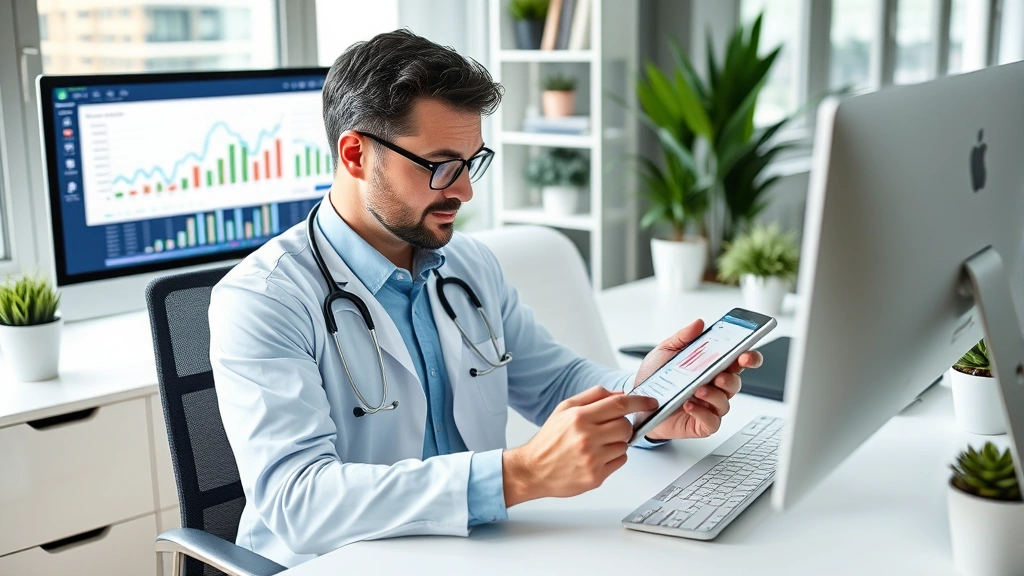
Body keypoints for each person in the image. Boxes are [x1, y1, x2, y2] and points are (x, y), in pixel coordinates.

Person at [210, 29, 762, 568]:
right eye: (441, 166)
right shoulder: (262, 299)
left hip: (470, 553)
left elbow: (554, 383)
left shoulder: (468, 265)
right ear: (356, 154)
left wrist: (649, 401)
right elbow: (298, 502)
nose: (465, 190)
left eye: (472, 162)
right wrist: (517, 475)